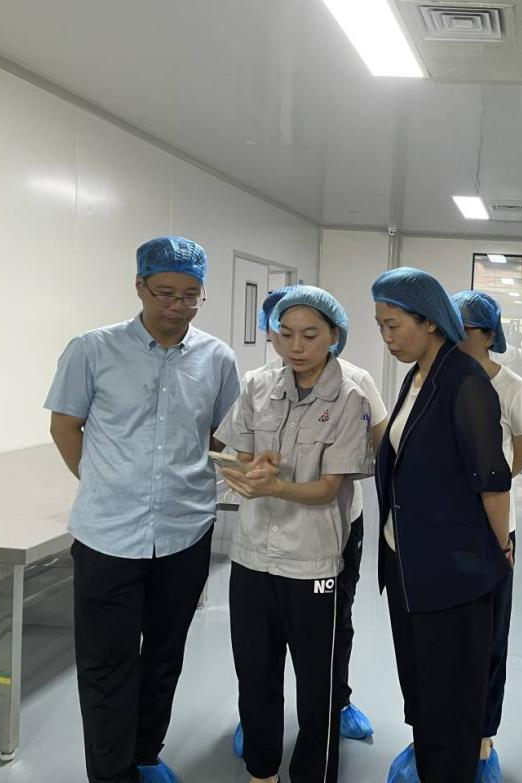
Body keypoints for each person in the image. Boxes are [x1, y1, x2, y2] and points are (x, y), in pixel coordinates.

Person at [45, 236, 240, 783]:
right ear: (139, 286)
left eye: (190, 295)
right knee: (106, 663)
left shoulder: (217, 358)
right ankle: (111, 773)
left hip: (185, 529)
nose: (177, 306)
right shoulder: (92, 349)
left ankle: (146, 753)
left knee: (164, 654)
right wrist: (104, 481)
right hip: (107, 534)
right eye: (164, 293)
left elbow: (222, 435)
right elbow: (65, 427)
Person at [215, 286, 374, 783]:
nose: (296, 346)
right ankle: (261, 769)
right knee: (255, 671)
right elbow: (238, 454)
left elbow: (328, 488)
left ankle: (313, 773)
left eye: (309, 335)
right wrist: (249, 469)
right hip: (252, 555)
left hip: (313, 560)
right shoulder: (257, 385)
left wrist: (275, 486)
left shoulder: (350, 396)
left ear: (334, 335)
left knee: (316, 682)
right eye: (285, 334)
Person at [372, 268, 512, 783]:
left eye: (393, 326)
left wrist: (501, 546)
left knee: (451, 696)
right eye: (380, 327)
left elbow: (492, 479)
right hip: (409, 561)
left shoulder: (465, 381)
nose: (386, 338)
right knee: (422, 684)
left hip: (453, 571)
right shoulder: (417, 376)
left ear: (429, 321)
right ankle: (429, 763)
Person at [452, 290, 522, 783]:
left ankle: (484, 734)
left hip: (493, 527)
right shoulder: (435, 379)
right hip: (442, 528)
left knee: (489, 636)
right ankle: (435, 729)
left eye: (464, 329)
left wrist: (488, 485)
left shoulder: (512, 388)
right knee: (442, 636)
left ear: (488, 335)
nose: (453, 337)